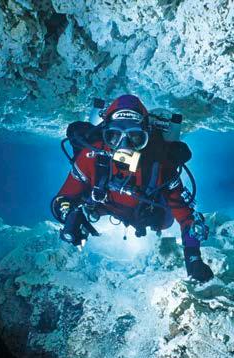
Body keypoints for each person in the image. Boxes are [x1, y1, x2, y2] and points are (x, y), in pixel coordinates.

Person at [50, 94, 214, 282]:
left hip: (147, 212)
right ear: (105, 135)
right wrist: (70, 215)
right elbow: (62, 198)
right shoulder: (91, 155)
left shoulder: (161, 163)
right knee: (86, 204)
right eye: (114, 136)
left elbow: (186, 217)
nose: (124, 146)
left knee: (165, 222)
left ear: (147, 136)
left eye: (135, 137)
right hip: (104, 204)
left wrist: (193, 258)